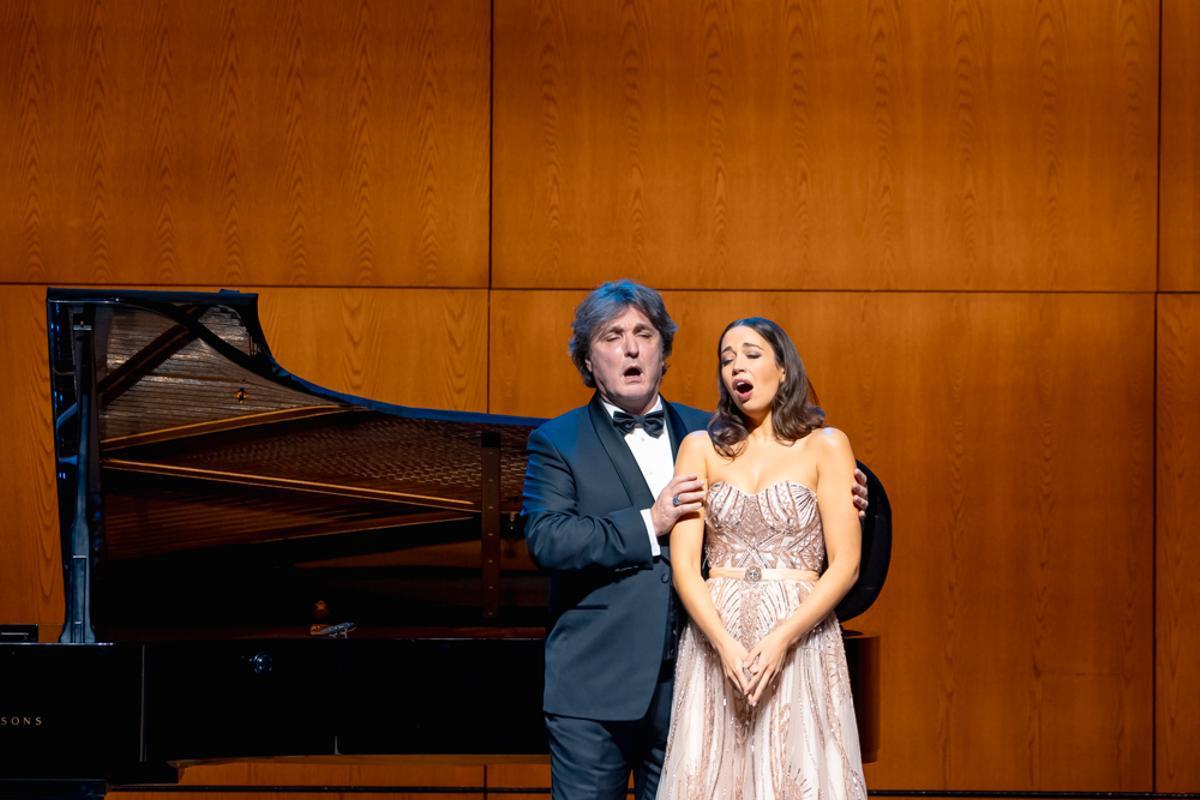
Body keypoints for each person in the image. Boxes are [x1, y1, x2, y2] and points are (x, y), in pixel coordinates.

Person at [522, 283, 867, 800]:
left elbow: (793, 487)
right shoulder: (558, 440)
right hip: (599, 687)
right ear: (588, 360)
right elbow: (547, 540)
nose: (632, 348)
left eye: (643, 334)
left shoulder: (711, 430)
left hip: (698, 677)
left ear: (664, 352)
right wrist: (649, 521)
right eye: (613, 337)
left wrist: (856, 495)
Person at [656, 317, 867, 800]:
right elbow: (687, 565)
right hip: (716, 636)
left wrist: (780, 640)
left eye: (750, 354)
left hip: (800, 635)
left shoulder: (827, 445)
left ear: (783, 369)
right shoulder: (699, 447)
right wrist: (725, 646)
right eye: (727, 358)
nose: (736, 367)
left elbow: (846, 565)